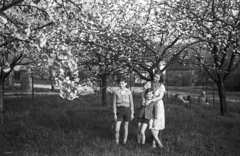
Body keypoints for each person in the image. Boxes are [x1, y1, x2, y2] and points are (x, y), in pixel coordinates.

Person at [142, 72, 165, 148]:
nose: (155, 78)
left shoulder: (161, 86)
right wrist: (143, 100)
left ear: (160, 79)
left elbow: (160, 97)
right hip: (149, 105)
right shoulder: (148, 83)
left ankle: (154, 142)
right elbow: (143, 93)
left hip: (158, 105)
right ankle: (158, 141)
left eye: (157, 77)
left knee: (157, 124)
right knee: (151, 123)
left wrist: (152, 100)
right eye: (155, 77)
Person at [113, 77, 134, 145]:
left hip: (127, 110)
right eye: (120, 83)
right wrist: (115, 114)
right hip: (119, 110)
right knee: (117, 129)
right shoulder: (116, 92)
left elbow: (131, 103)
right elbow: (114, 104)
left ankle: (124, 141)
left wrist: (132, 113)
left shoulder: (129, 92)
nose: (121, 85)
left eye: (122, 83)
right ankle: (117, 142)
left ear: (125, 83)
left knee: (125, 127)